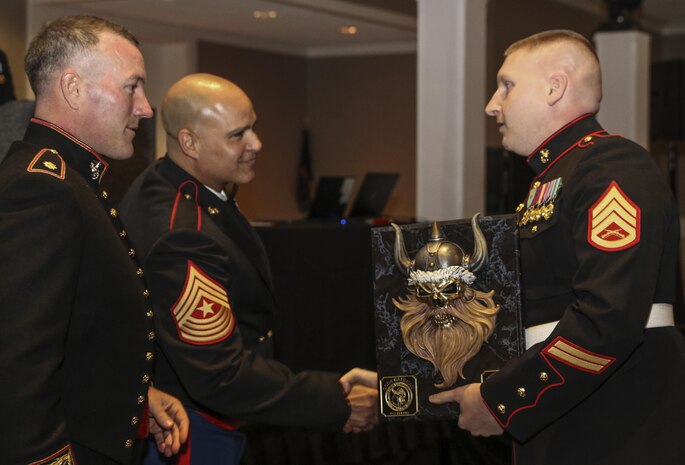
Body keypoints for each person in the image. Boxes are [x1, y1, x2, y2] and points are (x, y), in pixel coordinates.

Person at [430, 30, 685, 464]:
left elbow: (608, 317)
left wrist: (505, 400)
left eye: (507, 85)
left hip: (614, 427)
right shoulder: (555, 179)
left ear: (555, 87)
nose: (492, 104)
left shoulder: (609, 166)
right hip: (573, 417)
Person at [119, 73, 379, 464]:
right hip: (192, 431)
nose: (256, 143)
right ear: (189, 142)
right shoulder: (181, 234)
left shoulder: (176, 184)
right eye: (237, 135)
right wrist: (335, 400)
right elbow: (219, 374)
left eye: (253, 127)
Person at [0, 15, 189, 464]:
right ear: (73, 88)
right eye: (132, 87)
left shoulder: (75, 179)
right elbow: (17, 369)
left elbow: (81, 332)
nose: (145, 107)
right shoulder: (44, 188)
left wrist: (138, 395)